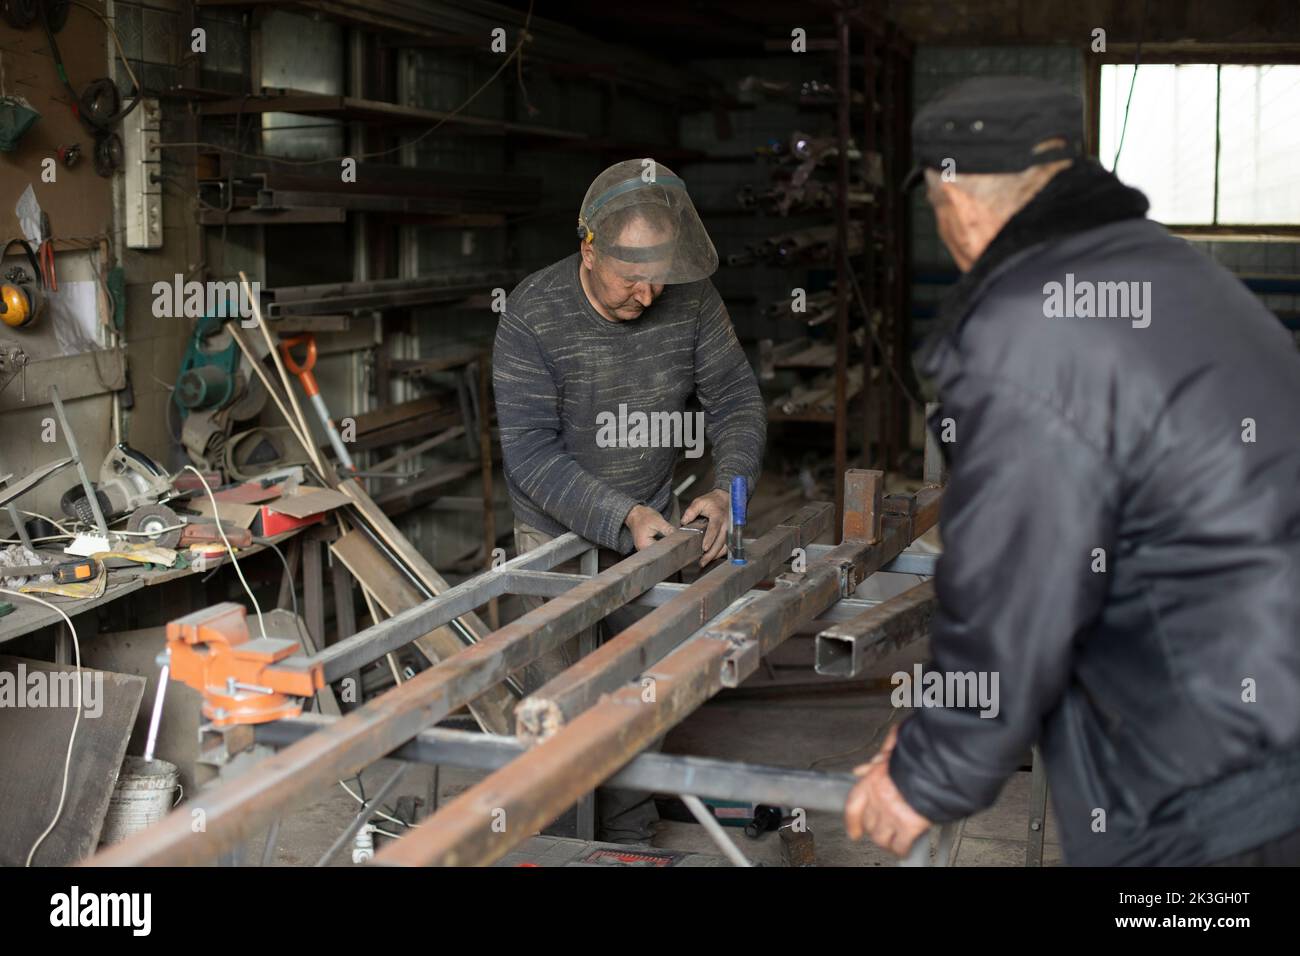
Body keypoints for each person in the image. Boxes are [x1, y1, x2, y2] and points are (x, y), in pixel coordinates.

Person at [844, 76, 1300, 866]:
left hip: (1212, 779)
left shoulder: (1031, 330)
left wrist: (927, 770)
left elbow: (1016, 585)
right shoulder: (1183, 274)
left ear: (956, 198)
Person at [493, 158, 766, 842]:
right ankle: (563, 848)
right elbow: (529, 452)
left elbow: (736, 401)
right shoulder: (532, 314)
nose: (647, 297)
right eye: (630, 280)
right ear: (590, 249)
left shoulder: (691, 299)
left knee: (641, 704)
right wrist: (622, 515)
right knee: (563, 723)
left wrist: (728, 493)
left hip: (653, 527)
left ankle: (632, 843)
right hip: (554, 543)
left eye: (658, 279)